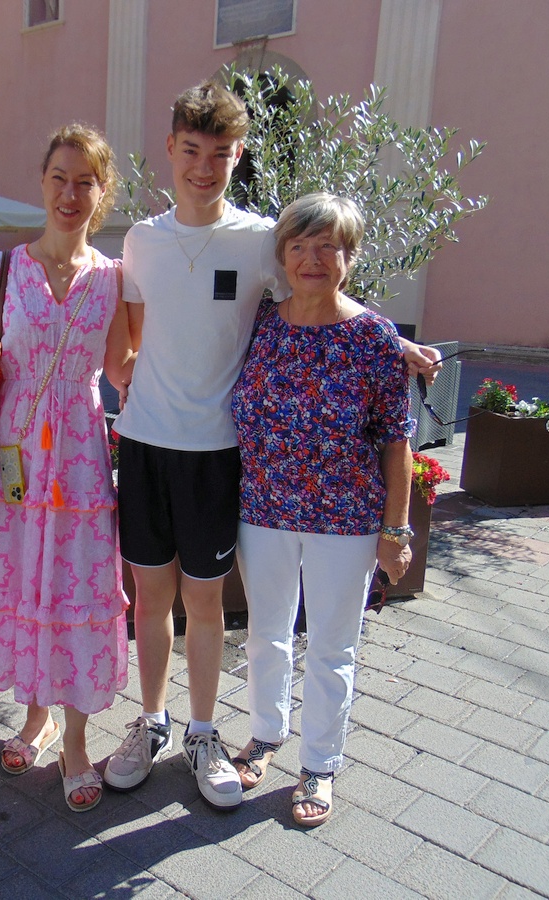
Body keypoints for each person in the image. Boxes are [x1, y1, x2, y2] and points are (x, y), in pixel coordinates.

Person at [104, 80, 437, 810]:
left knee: (208, 602)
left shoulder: (261, 240)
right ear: (170, 150)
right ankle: (152, 721)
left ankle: (202, 733)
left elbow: (323, 292)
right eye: (191, 150)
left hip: (221, 457)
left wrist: (393, 343)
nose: (203, 166)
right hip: (148, 447)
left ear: (238, 156)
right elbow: (124, 346)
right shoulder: (140, 239)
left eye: (219, 153)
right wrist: (129, 390)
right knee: (151, 599)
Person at [0, 124, 132, 813]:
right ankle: (35, 716)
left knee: (74, 591)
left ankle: (75, 739)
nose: (70, 192)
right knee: (25, 580)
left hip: (77, 462)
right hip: (13, 458)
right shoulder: (3, 269)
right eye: (59, 177)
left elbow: (123, 371)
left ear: (102, 194)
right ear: (41, 182)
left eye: (85, 180)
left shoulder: (114, 279)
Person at [230, 192, 413, 827]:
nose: (312, 258)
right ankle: (265, 733)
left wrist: (396, 529)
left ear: (349, 257)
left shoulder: (374, 338)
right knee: (265, 635)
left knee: (333, 646)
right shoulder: (259, 321)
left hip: (346, 519)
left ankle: (320, 765)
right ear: (282, 254)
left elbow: (397, 439)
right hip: (263, 510)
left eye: (327, 245)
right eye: (300, 245)